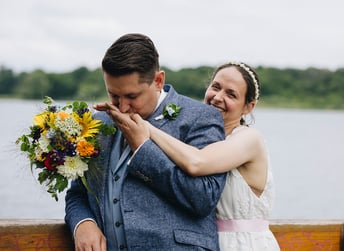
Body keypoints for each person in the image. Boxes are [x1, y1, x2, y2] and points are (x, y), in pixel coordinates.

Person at [64, 33, 227, 251]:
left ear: (158, 81)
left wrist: (143, 150)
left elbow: (203, 199)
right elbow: (78, 193)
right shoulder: (97, 123)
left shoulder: (201, 118)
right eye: (114, 96)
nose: (121, 108)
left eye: (132, 96)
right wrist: (83, 223)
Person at [116, 62, 281, 250]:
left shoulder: (249, 139)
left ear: (248, 107)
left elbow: (196, 162)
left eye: (231, 94)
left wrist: (146, 128)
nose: (218, 97)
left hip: (244, 244)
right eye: (215, 87)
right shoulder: (200, 140)